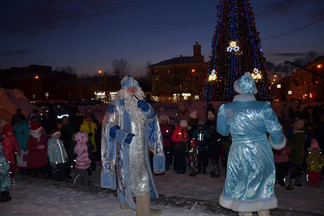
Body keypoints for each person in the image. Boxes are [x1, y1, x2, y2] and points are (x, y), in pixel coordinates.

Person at [216, 72, 286, 216]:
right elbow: (275, 129)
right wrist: (278, 143)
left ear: (238, 89)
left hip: (238, 153)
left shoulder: (227, 109)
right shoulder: (264, 107)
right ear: (253, 89)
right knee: (262, 187)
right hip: (262, 152)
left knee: (242, 187)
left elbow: (222, 131)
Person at [101, 75, 165, 216]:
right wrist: (122, 135)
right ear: (122, 90)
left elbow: (152, 120)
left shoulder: (141, 104)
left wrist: (148, 110)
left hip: (141, 150)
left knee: (131, 177)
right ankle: (144, 211)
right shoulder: (116, 105)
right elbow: (108, 125)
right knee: (135, 178)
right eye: (128, 87)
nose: (132, 90)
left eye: (134, 87)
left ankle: (126, 205)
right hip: (125, 149)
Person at [286, 119, 305, 190]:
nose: (294, 126)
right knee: (297, 167)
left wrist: (288, 142)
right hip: (297, 153)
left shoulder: (300, 134)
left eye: (296, 125)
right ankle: (298, 181)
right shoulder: (296, 132)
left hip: (297, 153)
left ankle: (292, 184)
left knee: (293, 168)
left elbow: (297, 145)